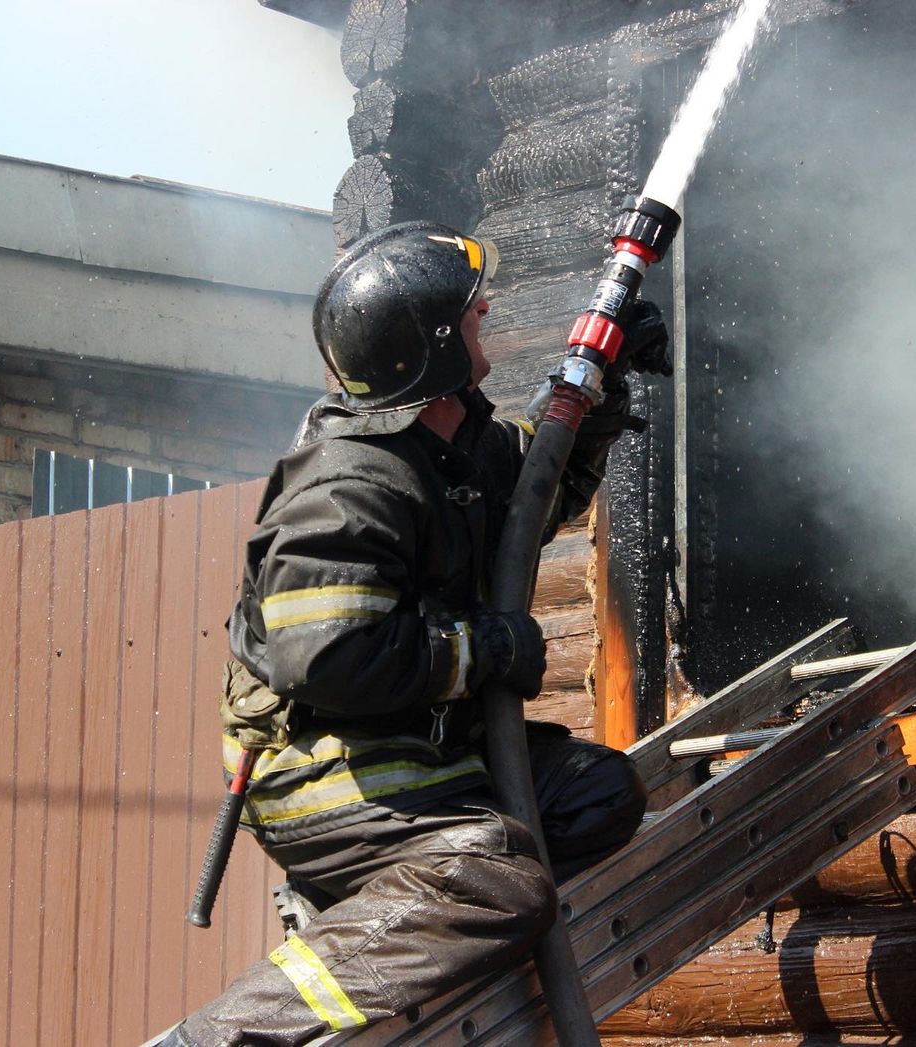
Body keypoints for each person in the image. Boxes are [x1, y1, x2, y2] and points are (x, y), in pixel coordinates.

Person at [162, 221, 670, 1047]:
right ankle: (227, 1033)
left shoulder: (447, 445)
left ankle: (404, 913)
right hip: (328, 774)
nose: (489, 312)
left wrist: (601, 393)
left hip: (422, 752)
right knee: (496, 880)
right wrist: (487, 650)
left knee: (598, 795)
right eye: (472, 311)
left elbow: (535, 496)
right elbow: (329, 655)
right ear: (434, 349)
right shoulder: (349, 483)